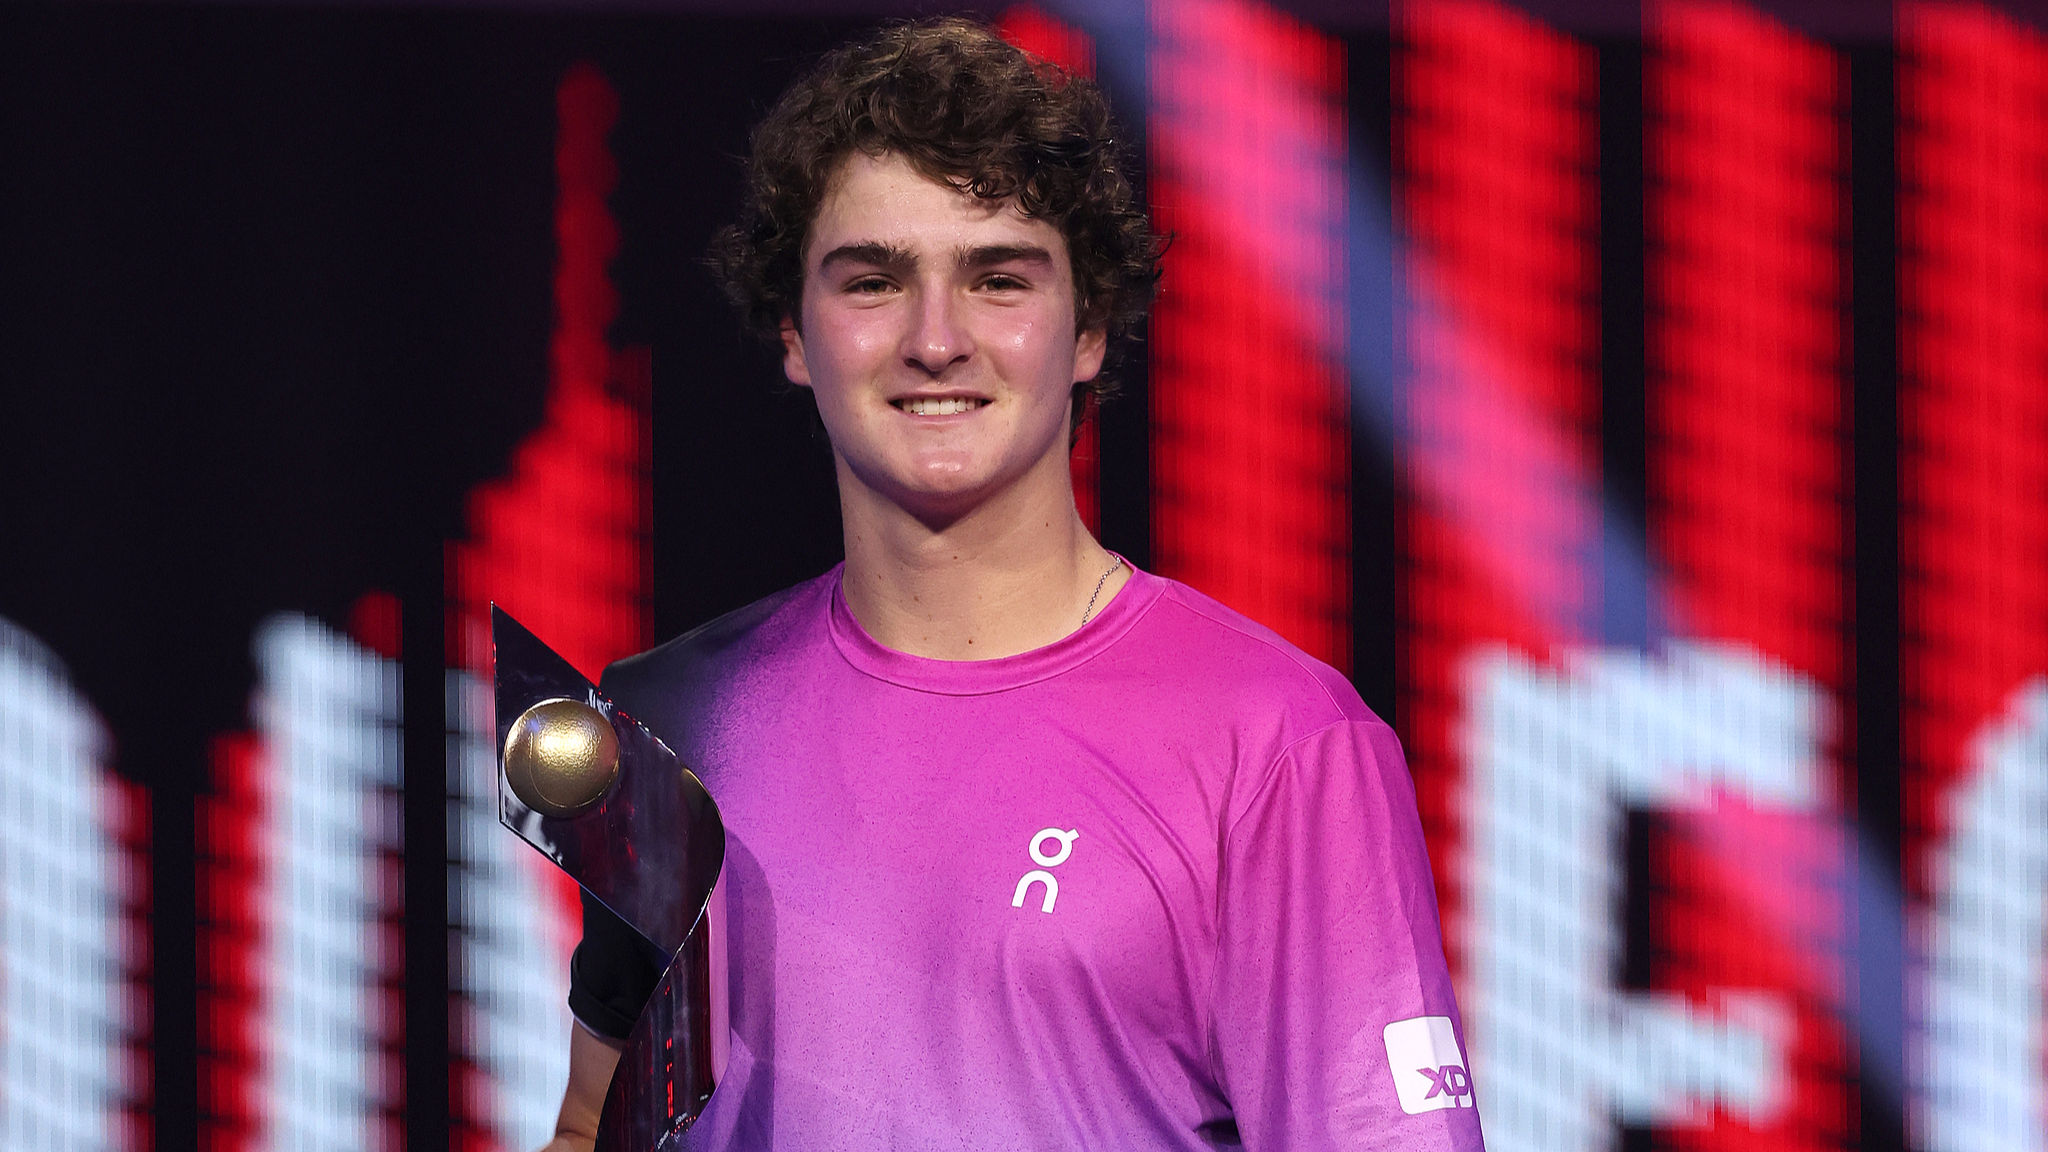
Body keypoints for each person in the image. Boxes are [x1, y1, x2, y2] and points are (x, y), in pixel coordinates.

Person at [542, 17, 1483, 1152]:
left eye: (996, 279)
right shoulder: (668, 719)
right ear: (794, 332)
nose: (935, 340)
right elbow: (594, 1130)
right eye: (874, 280)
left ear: (1088, 327)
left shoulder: (1280, 746)